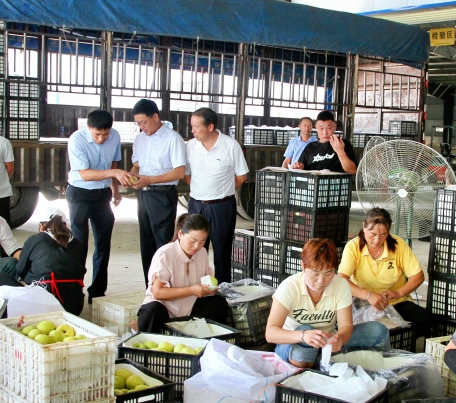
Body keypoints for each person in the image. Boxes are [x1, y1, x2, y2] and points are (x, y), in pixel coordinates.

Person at [266, 238, 390, 368]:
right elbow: (270, 333)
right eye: (315, 273)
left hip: (327, 343)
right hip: (293, 345)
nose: (321, 281)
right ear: (303, 266)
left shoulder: (340, 285)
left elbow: (346, 326)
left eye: (328, 273)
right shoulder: (289, 287)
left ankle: (324, 361)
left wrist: (339, 338)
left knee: (378, 331)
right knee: (306, 329)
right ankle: (310, 369)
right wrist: (303, 336)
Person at [338, 207, 431, 339]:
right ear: (364, 227)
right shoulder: (353, 247)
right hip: (362, 302)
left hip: (395, 302)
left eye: (383, 235)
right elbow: (342, 279)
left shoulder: (399, 245)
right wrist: (368, 295)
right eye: (373, 234)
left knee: (425, 320)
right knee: (348, 326)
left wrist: (398, 293)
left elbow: (418, 276)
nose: (377, 240)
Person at [67, 109, 127, 303]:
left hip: (102, 196)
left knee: (103, 244)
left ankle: (97, 292)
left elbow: (112, 164)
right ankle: (75, 290)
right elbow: (85, 174)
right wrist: (114, 173)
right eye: (97, 134)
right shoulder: (76, 140)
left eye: (105, 134)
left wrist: (115, 190)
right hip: (80, 195)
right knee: (79, 245)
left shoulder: (115, 136)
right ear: (88, 128)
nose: (101, 139)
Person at [125, 99, 187, 287]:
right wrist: (132, 176)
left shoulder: (172, 138)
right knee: (147, 242)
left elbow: (179, 172)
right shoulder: (140, 139)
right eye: (138, 123)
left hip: (162, 195)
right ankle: (150, 287)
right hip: (143, 195)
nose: (141, 127)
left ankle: (167, 286)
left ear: (155, 117)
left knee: (163, 243)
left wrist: (150, 180)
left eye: (144, 122)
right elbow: (137, 165)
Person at [184, 108, 248, 284]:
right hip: (197, 205)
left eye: (196, 126)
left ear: (210, 126)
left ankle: (222, 291)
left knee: (222, 252)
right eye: (192, 126)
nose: (192, 130)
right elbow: (186, 174)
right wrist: (202, 189)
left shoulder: (230, 145)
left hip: (222, 207)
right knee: (194, 250)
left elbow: (242, 176)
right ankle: (195, 289)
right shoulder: (190, 146)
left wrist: (221, 191)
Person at [137, 214, 229, 333]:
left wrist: (208, 290)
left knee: (219, 303)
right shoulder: (165, 254)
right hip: (164, 309)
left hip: (190, 307)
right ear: (180, 234)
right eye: (192, 241)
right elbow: (157, 293)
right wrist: (191, 290)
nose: (196, 246)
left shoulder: (202, 253)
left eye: (202, 241)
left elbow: (206, 281)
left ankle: (212, 342)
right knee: (151, 311)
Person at [0, 208, 87, 316]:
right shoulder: (77, 244)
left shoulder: (36, 240)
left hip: (43, 306)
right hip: (75, 307)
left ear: (41, 226)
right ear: (65, 225)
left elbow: (21, 270)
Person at [290, 111, 357, 174]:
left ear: (334, 126)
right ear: (316, 127)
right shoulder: (310, 147)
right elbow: (301, 167)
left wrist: (340, 152)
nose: (325, 132)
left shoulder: (343, 144)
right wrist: (298, 166)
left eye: (329, 128)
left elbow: (353, 171)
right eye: (321, 128)